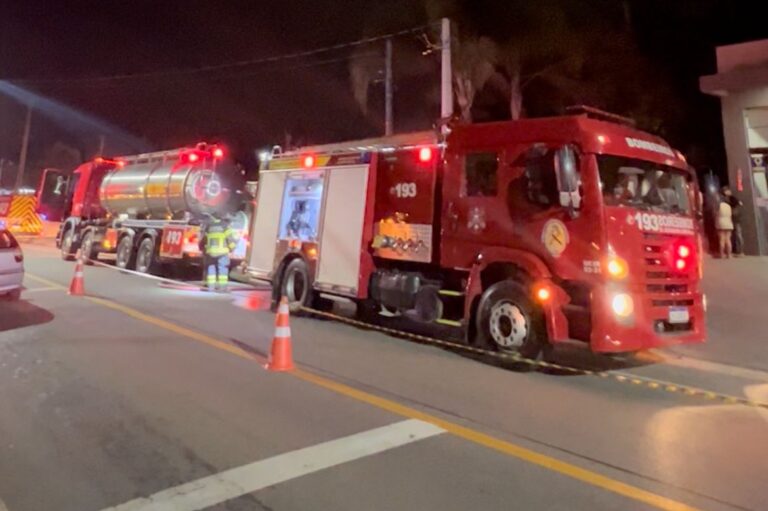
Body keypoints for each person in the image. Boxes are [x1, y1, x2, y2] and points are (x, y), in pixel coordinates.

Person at [200, 214, 237, 291]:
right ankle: (222, 288)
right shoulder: (225, 226)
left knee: (211, 268)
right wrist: (232, 248)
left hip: (211, 252)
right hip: (222, 252)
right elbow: (230, 239)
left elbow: (204, 239)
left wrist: (201, 248)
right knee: (223, 269)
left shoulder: (209, 226)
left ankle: (211, 287)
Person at [722, 186, 744, 256]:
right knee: (736, 234)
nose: (725, 193)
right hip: (734, 218)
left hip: (734, 218)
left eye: (725, 191)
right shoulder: (730, 199)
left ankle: (740, 251)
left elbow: (738, 203)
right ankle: (738, 250)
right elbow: (740, 203)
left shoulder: (732, 198)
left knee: (737, 234)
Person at [715, 193, 734, 258]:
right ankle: (729, 254)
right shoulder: (728, 206)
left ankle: (722, 254)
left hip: (721, 223)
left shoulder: (718, 206)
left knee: (722, 240)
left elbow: (716, 214)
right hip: (729, 223)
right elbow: (730, 215)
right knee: (728, 240)